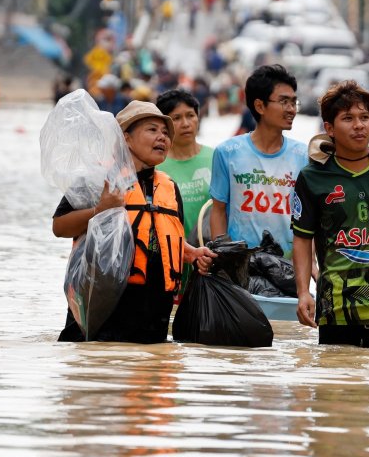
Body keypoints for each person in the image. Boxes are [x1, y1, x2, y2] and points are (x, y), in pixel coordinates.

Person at [51, 101, 215, 343]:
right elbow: (59, 227)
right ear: (126, 139)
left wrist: (190, 253)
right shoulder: (99, 180)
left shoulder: (168, 186)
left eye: (165, 133)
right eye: (152, 130)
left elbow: (158, 238)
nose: (163, 138)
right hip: (105, 316)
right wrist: (100, 209)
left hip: (153, 318)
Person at [292, 81, 369, 347]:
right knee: (337, 384)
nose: (359, 125)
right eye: (348, 118)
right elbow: (303, 238)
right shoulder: (312, 177)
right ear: (329, 128)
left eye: (364, 117)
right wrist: (303, 292)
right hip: (335, 310)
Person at [209, 64, 310, 255]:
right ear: (259, 106)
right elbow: (218, 211)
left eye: (293, 102)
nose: (291, 110)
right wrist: (221, 259)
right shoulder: (227, 152)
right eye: (284, 102)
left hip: (286, 267)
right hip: (241, 265)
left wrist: (309, 264)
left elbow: (307, 220)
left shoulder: (303, 156)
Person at [155, 88, 215, 241]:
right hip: (171, 255)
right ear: (164, 123)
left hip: (211, 254)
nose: (186, 124)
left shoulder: (216, 157)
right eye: (176, 118)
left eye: (190, 115)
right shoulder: (155, 165)